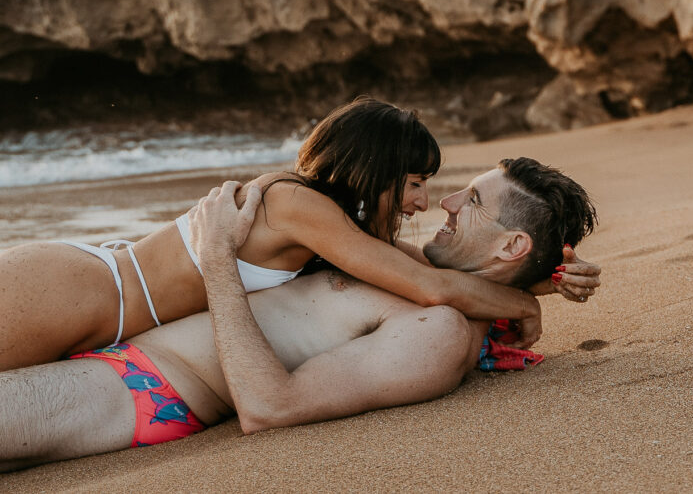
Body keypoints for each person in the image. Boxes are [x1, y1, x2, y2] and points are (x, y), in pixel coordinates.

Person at [0, 158, 599, 472]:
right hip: (105, 326)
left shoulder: (438, 335)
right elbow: (446, 278)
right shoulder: (431, 285)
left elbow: (270, 406)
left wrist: (216, 263)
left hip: (143, 383)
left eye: (472, 201)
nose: (444, 200)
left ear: (509, 247)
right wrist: (541, 286)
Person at [0, 98, 590, 371]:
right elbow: (429, 288)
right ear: (374, 170)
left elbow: (430, 276)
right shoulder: (296, 204)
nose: (422, 201)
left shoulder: (331, 224)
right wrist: (518, 301)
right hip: (69, 292)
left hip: (85, 305)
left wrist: (546, 284)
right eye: (413, 181)